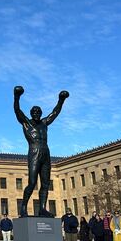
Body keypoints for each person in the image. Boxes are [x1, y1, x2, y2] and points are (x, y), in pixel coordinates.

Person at [13, 86, 69, 217]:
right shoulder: (27, 123)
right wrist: (16, 96)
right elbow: (17, 110)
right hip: (34, 152)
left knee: (45, 183)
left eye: (38, 111)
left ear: (41, 113)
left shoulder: (44, 123)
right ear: (31, 113)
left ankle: (42, 209)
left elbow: (55, 113)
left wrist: (61, 100)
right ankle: (24, 208)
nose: (36, 113)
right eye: (34, 111)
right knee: (32, 183)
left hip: (46, 153)